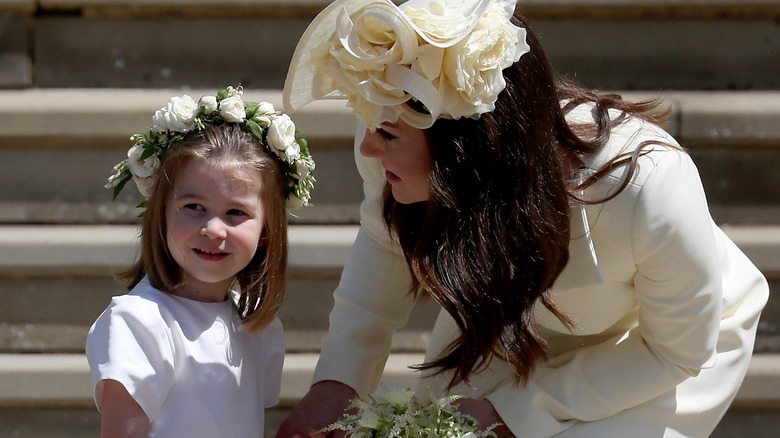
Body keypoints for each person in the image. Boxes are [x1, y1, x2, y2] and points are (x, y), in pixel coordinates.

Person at [277, 0, 770, 437]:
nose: (366, 147)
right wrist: (338, 382)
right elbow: (384, 249)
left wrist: (514, 411)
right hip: (512, 317)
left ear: (466, 148)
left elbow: (676, 353)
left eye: (386, 134)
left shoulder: (648, 185)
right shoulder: (389, 145)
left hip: (658, 349)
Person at [87, 86, 315, 438]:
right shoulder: (140, 323)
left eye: (236, 212)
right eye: (194, 207)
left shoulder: (256, 326)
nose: (212, 229)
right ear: (161, 213)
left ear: (268, 229)